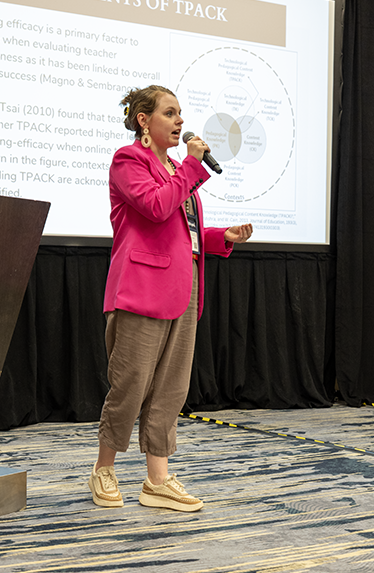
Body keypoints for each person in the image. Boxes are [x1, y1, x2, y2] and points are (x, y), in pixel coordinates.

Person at [89, 85, 253, 512]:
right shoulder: (130, 161)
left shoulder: (179, 170)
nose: (180, 121)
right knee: (131, 385)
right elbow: (156, 208)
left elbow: (185, 234)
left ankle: (156, 481)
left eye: (181, 113)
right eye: (170, 113)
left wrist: (222, 238)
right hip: (142, 288)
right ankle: (104, 468)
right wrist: (193, 168)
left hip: (185, 288)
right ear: (144, 120)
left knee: (170, 389)